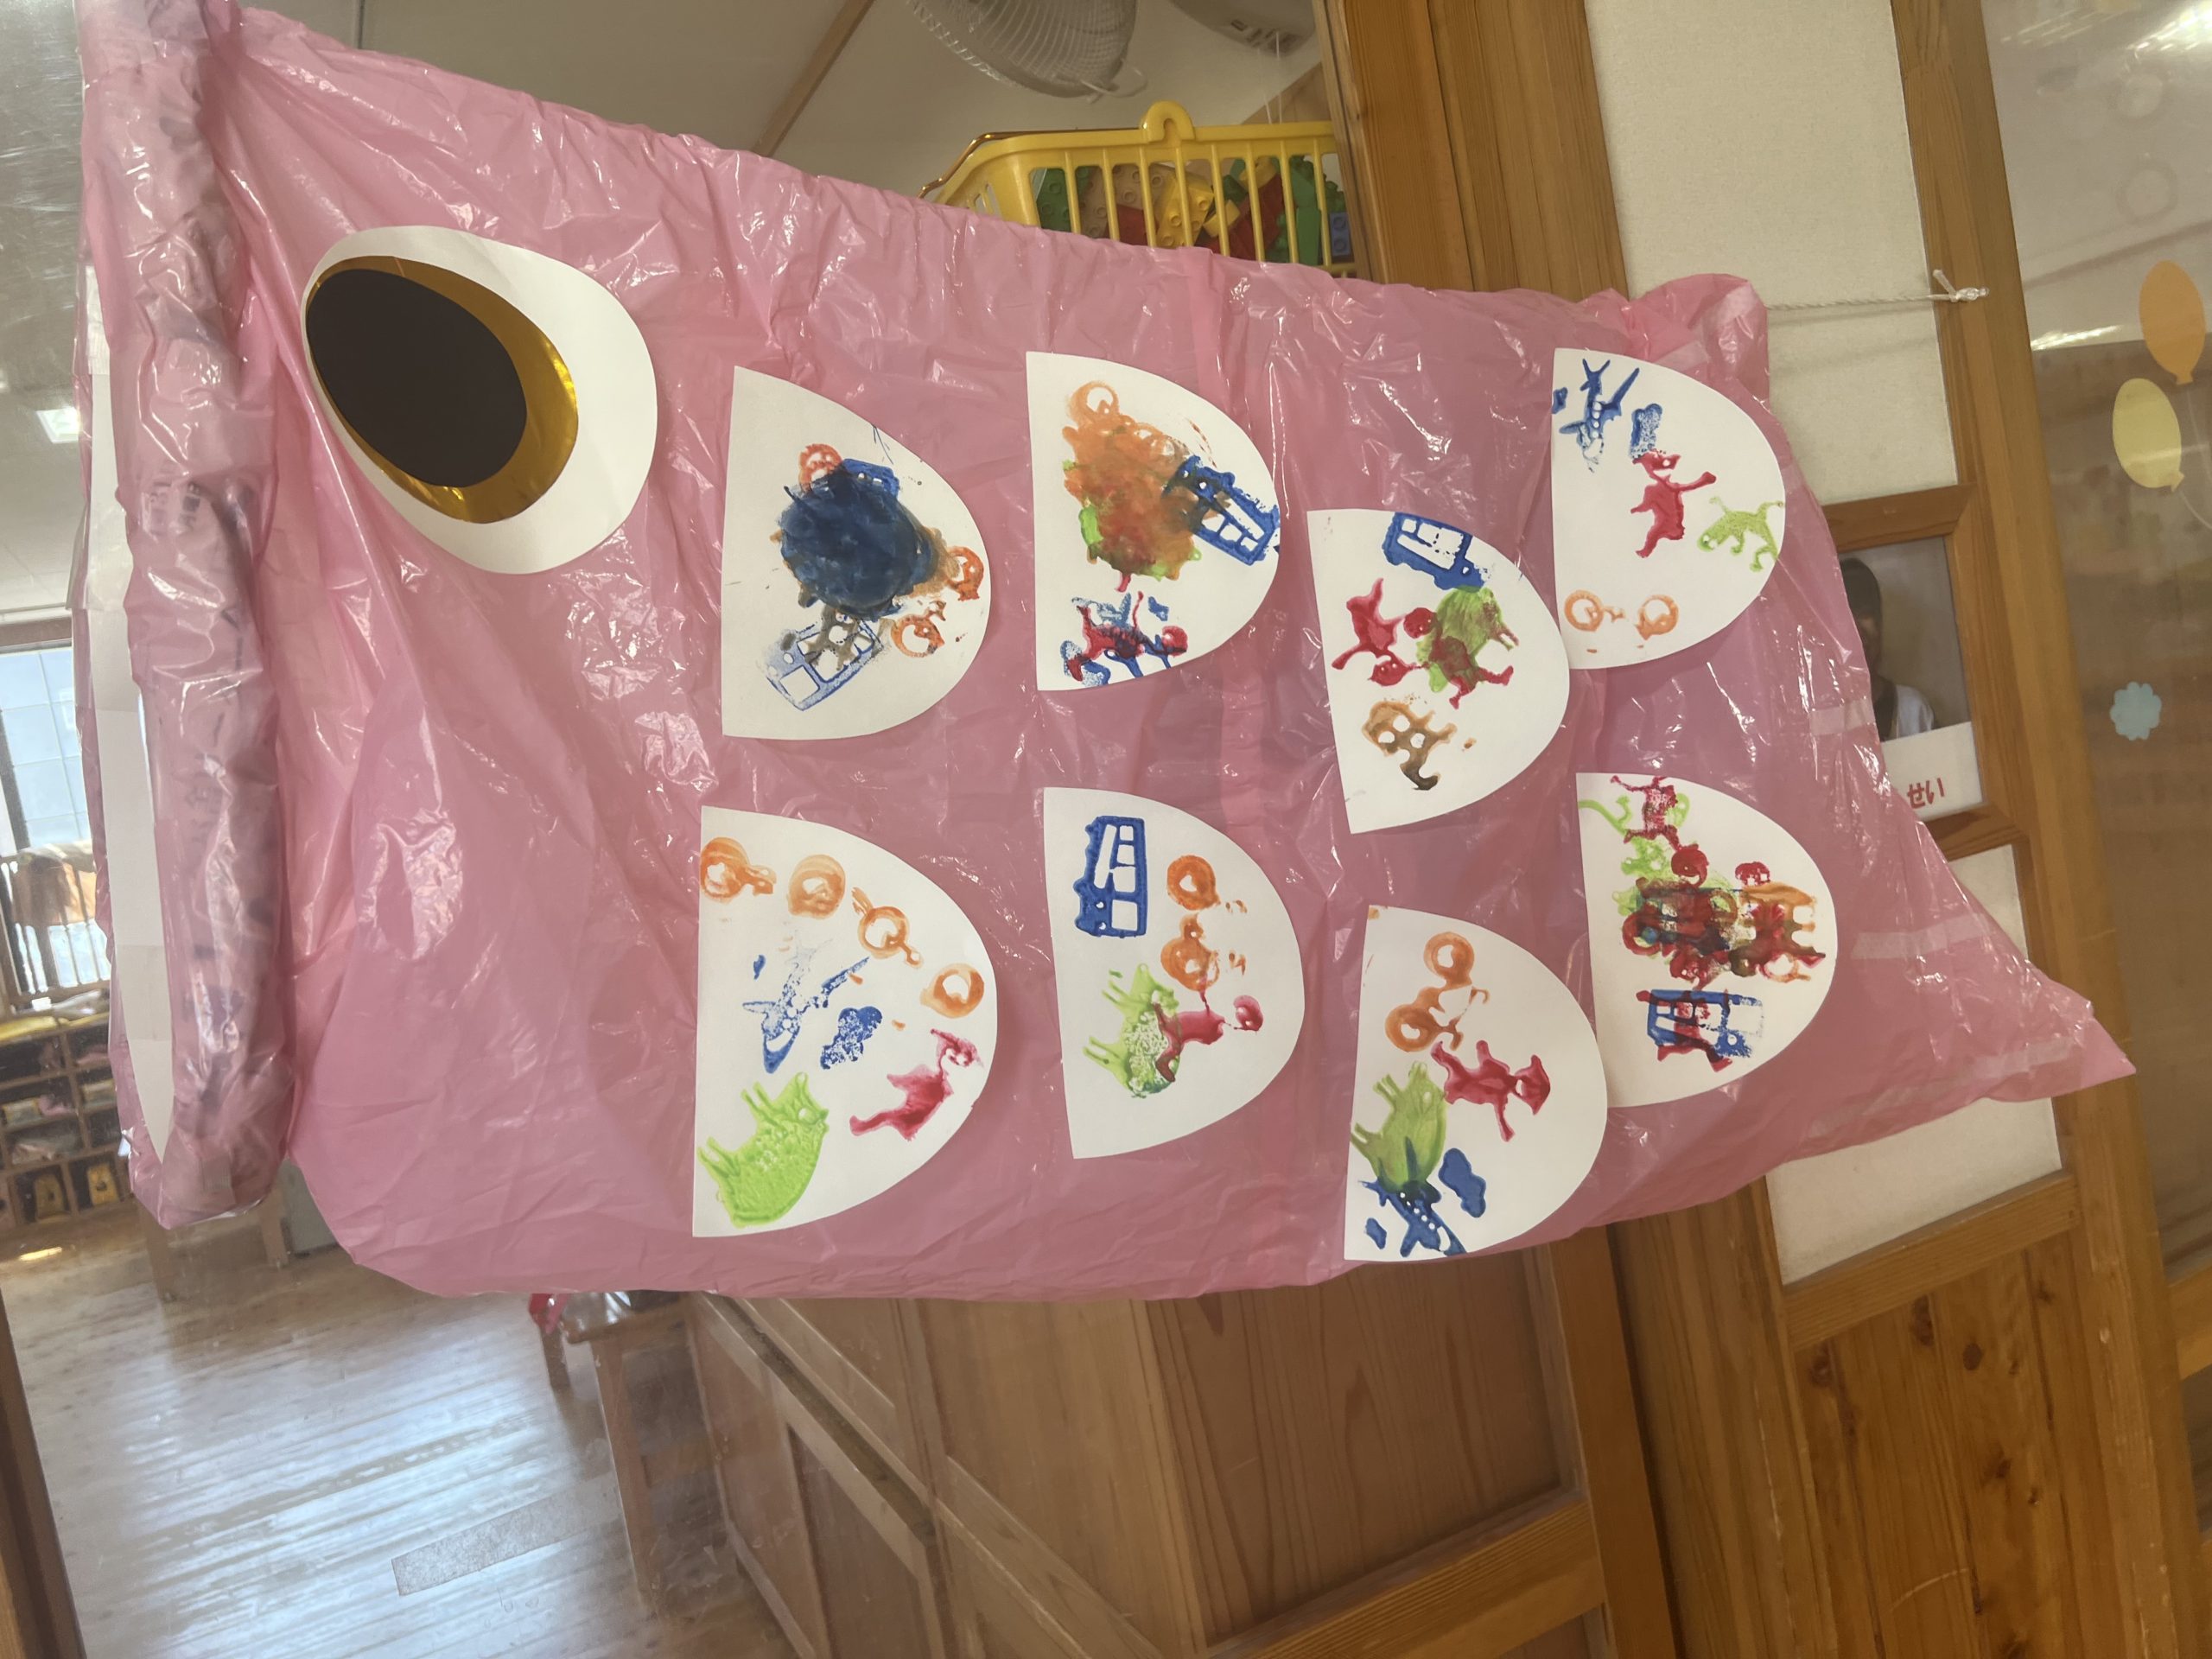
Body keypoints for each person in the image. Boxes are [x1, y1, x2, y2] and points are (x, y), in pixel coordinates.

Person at [1840, 557, 1935, 741]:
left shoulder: (1914, 711)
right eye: (1845, 616)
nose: (1857, 632)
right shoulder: (1816, 721)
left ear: (1880, 622)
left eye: (1865, 613)